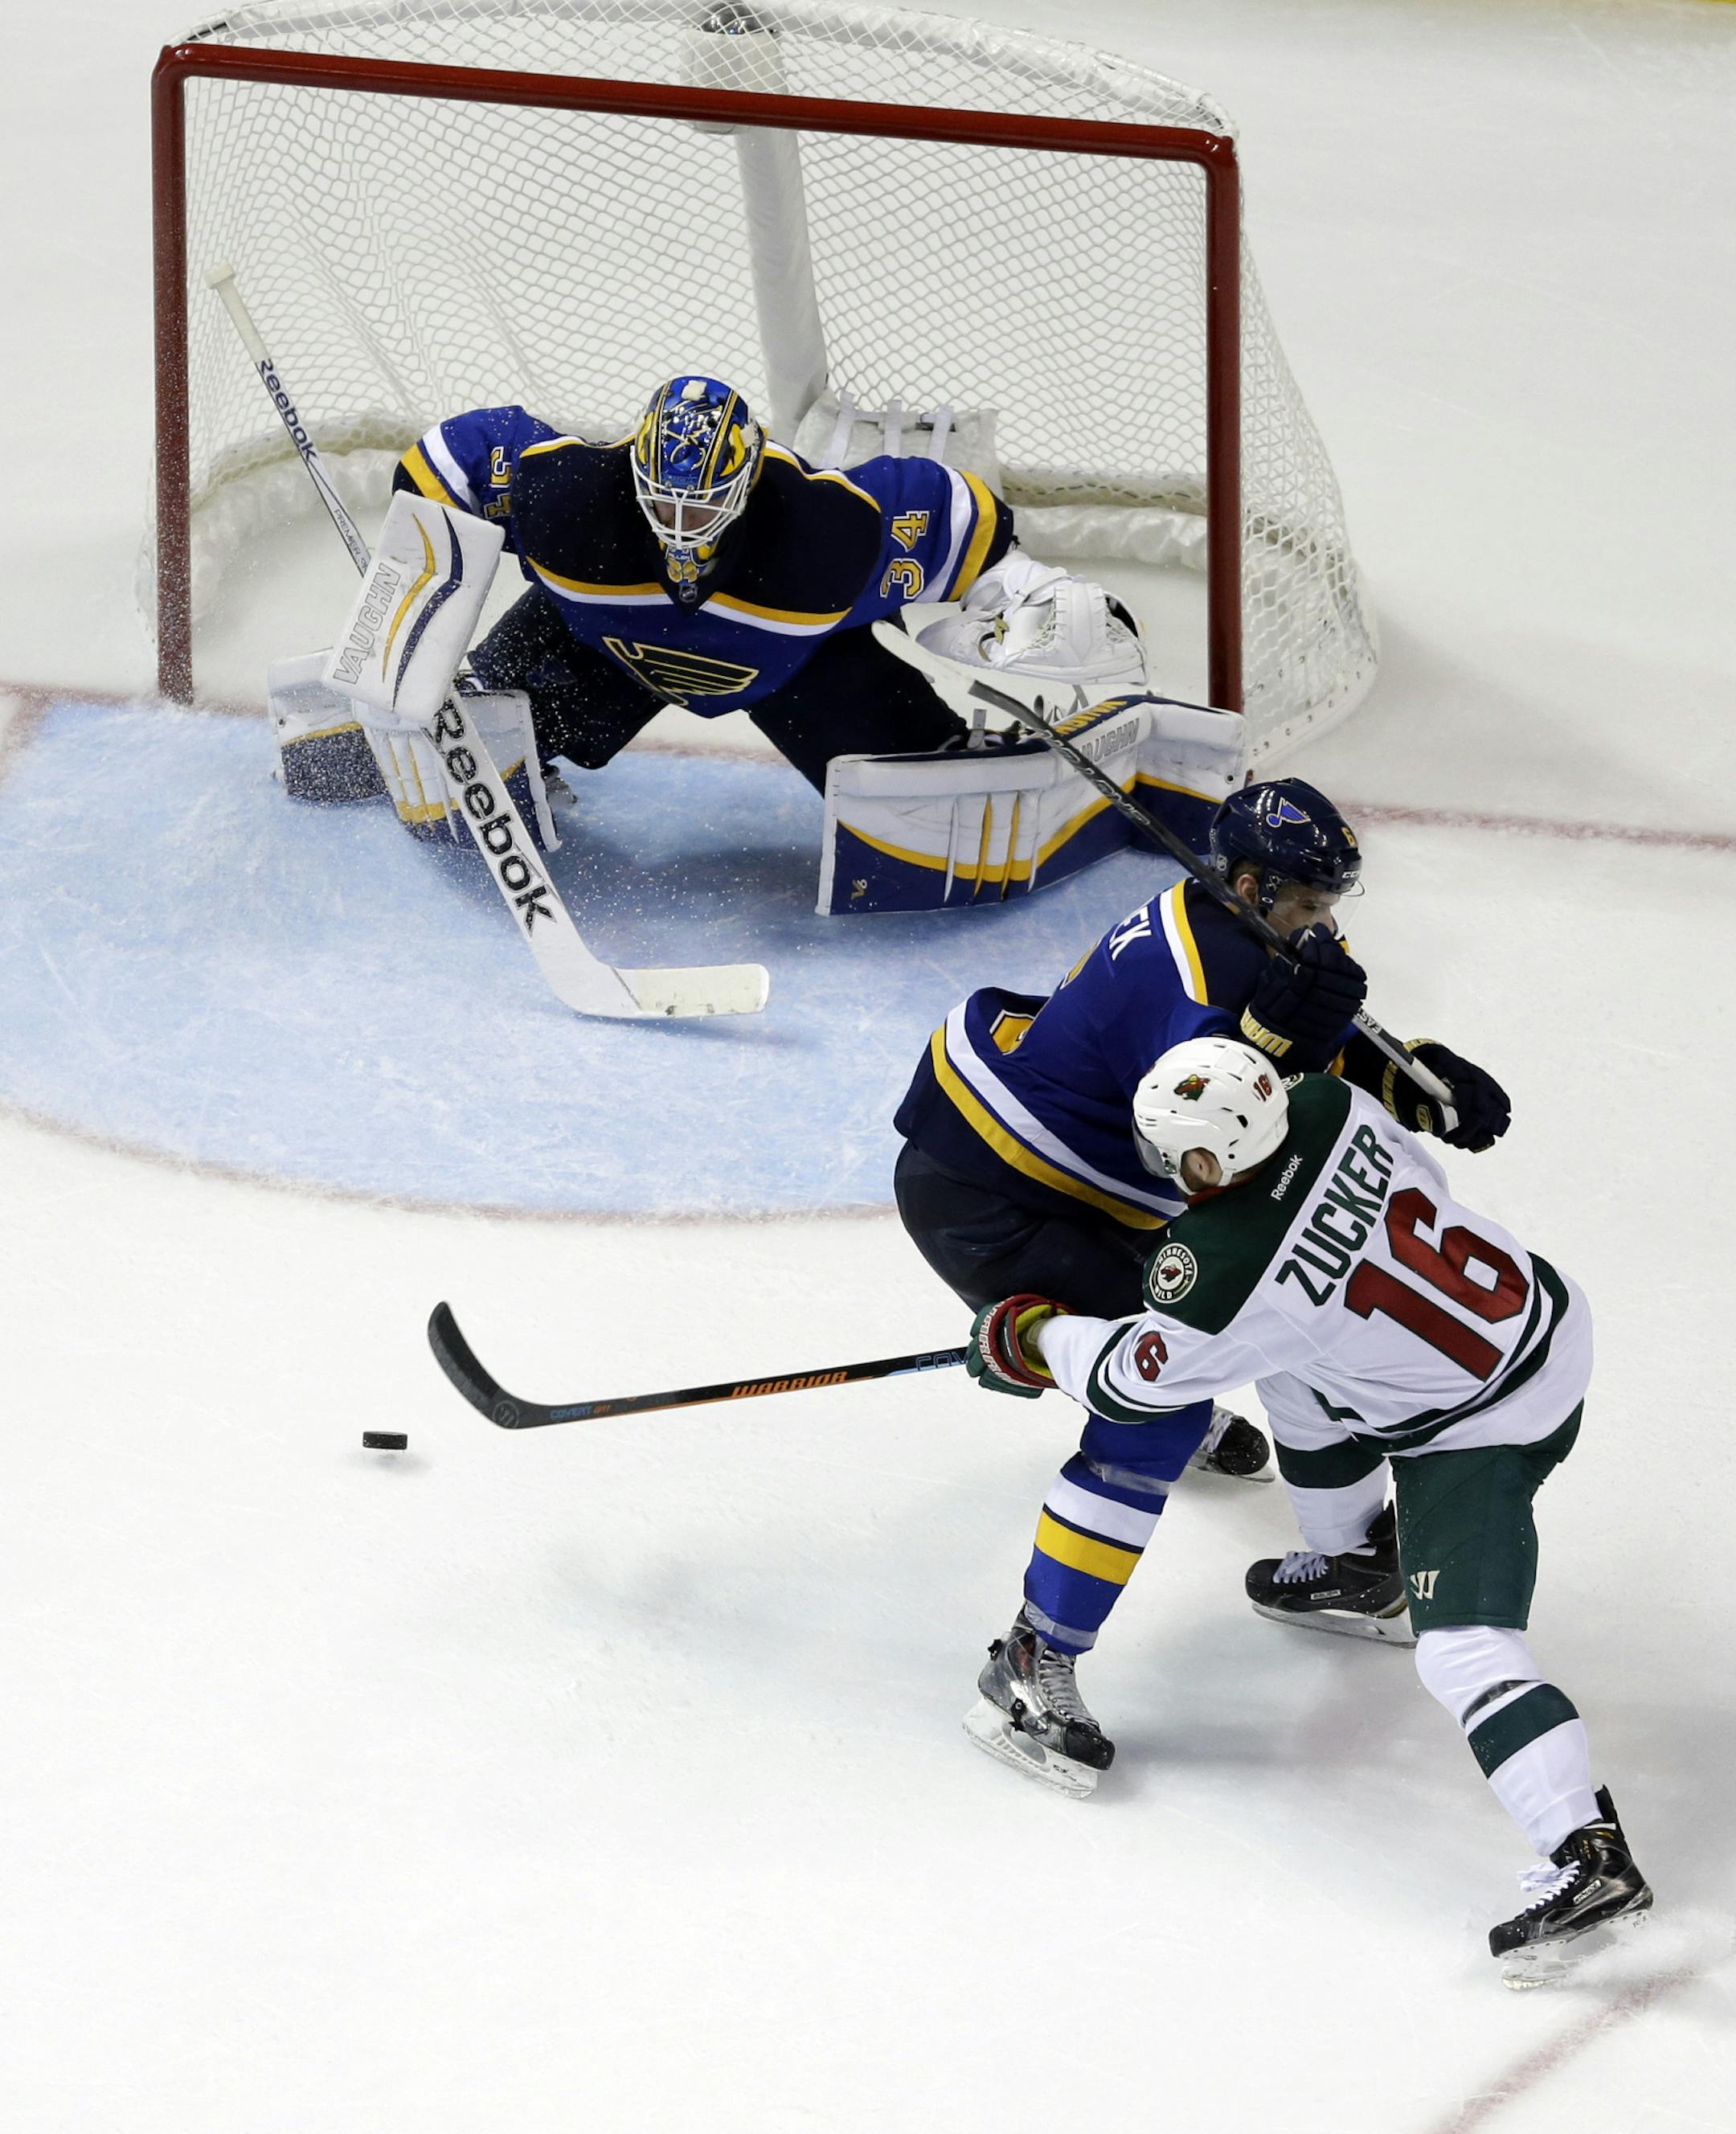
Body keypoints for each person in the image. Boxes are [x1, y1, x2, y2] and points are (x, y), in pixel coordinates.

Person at [967, 1037, 1651, 1972]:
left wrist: (1036, 1338)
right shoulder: (1330, 1105)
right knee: (1295, 1365)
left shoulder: (1226, 1270)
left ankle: (1584, 1852)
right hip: (1541, 1318)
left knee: (1464, 1651)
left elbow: (1135, 1385)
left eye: (1175, 1154)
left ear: (1205, 1161)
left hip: (1481, 1428)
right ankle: (1358, 1562)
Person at [892, 777, 1510, 1733]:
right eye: (1306, 902)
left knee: (1295, 1326)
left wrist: (1416, 1074)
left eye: (1327, 904)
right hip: (996, 1195)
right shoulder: (1195, 971)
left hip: (1099, 1189)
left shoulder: (1267, 932)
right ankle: (1029, 1658)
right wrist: (1271, 1044)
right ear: (1252, 885)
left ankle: (1354, 1560)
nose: (1320, 922)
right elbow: (1200, 1141)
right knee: (1161, 1411)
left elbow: (1320, 1043)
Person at [391, 373, 1025, 793]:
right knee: (491, 719)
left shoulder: (828, 529)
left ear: (746, 482)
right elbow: (460, 457)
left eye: (699, 509)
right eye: (662, 505)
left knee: (898, 789)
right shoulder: (572, 503)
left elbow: (967, 521)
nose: (679, 529)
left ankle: (930, 753)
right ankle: (500, 738)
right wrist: (410, 581)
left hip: (793, 671)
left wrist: (1030, 593)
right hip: (612, 651)